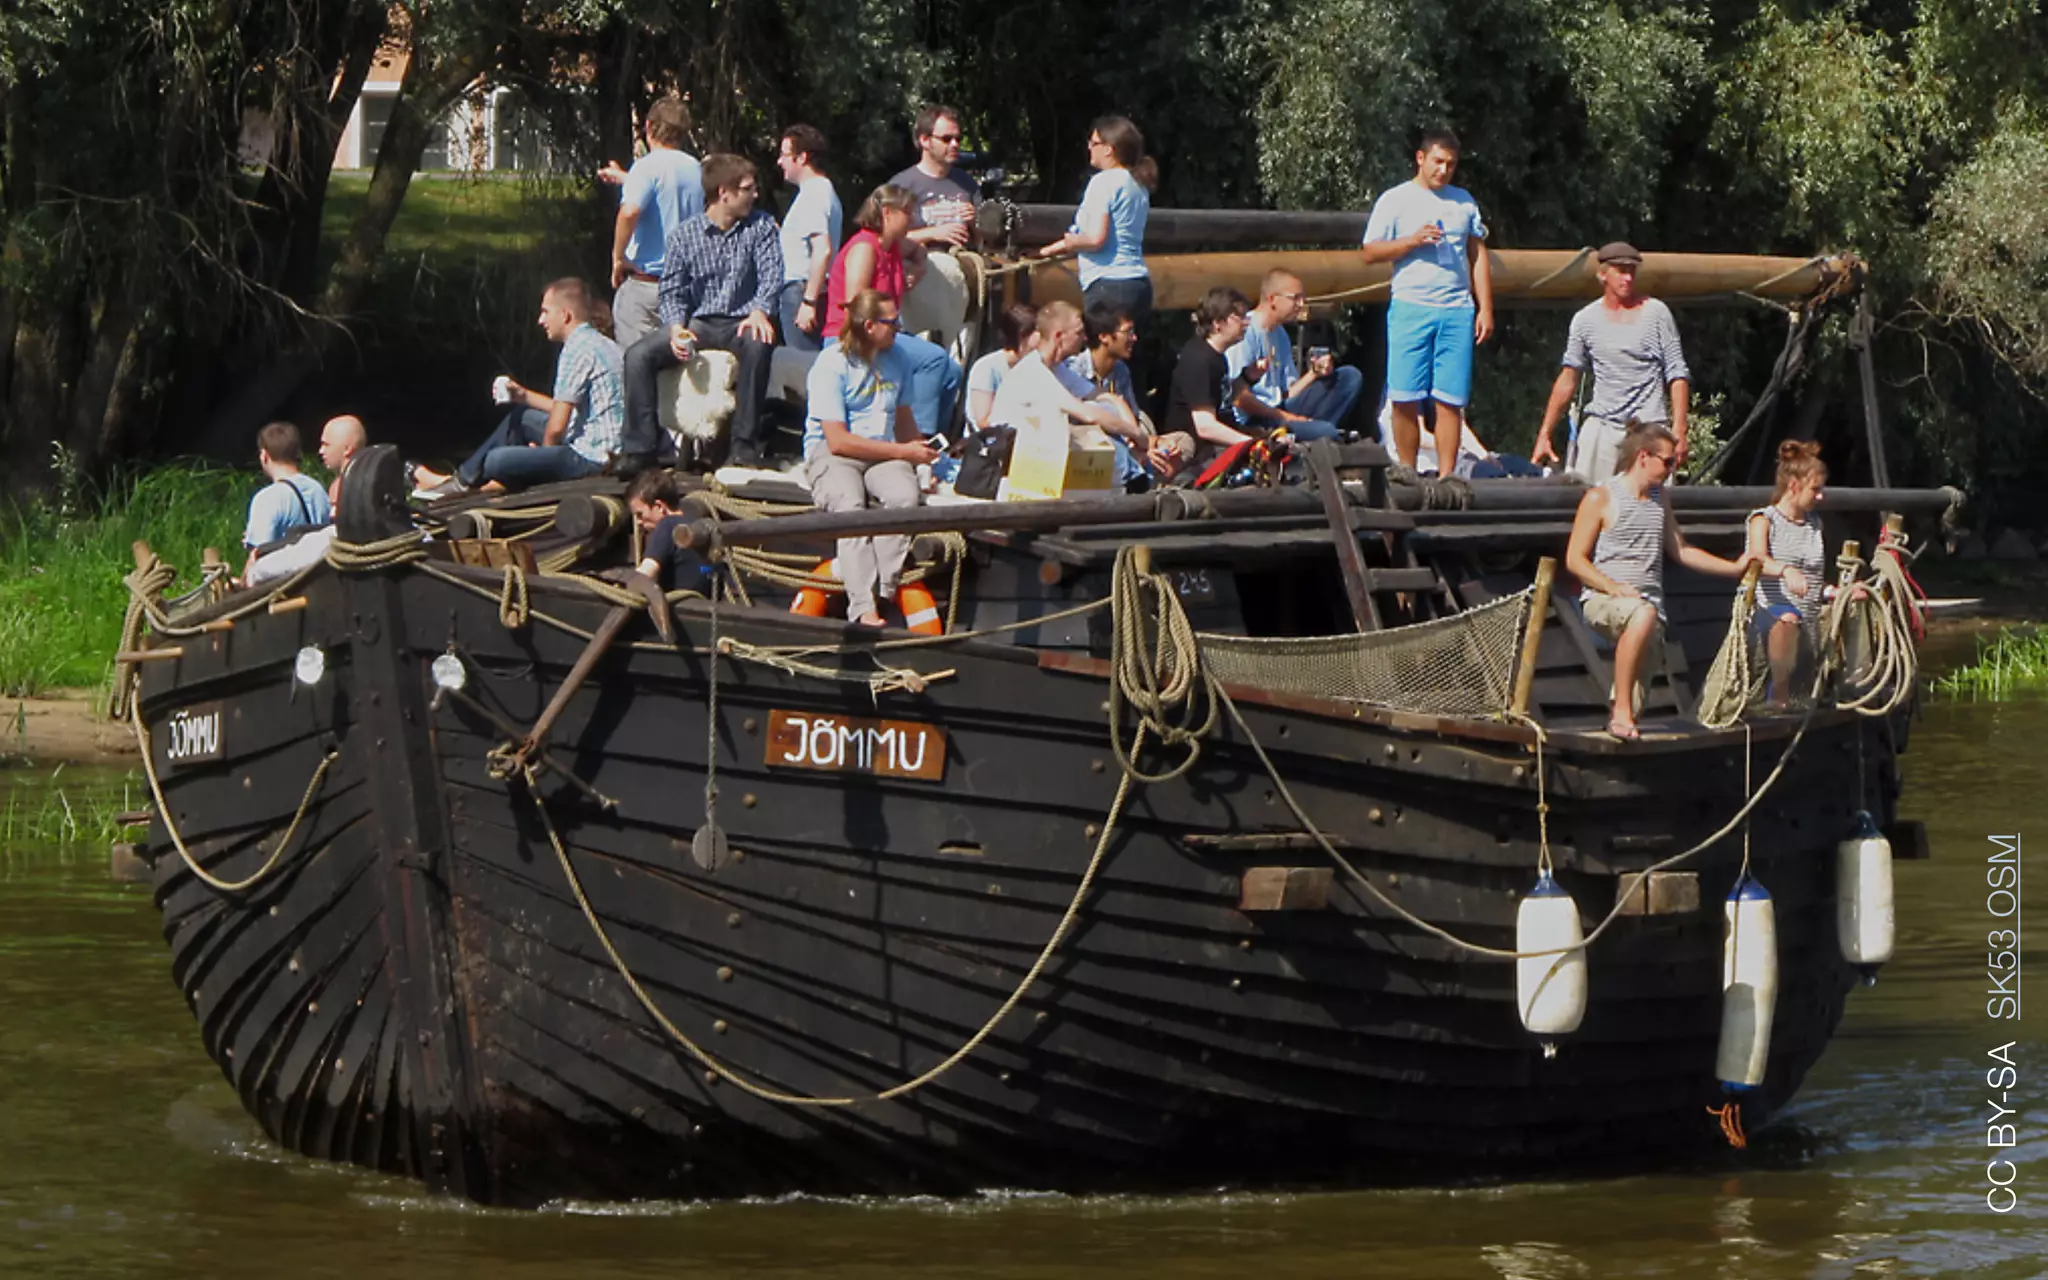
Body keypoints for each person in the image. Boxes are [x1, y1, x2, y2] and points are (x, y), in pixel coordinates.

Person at [1565, 425, 1753, 739]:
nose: (1671, 470)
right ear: (1643, 457)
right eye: (1667, 462)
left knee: (1646, 632)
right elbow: (1574, 559)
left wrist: (1733, 568)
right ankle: (1621, 711)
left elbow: (1681, 550)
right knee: (1642, 615)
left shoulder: (1658, 499)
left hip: (1650, 610)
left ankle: (1623, 723)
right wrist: (1613, 587)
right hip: (1603, 601)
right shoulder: (1601, 497)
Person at [624, 153, 782, 469]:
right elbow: (672, 291)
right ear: (724, 193)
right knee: (638, 355)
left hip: (742, 320)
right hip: (700, 323)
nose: (755, 194)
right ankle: (639, 448)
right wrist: (674, 328)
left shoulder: (761, 227)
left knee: (758, 345)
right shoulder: (685, 234)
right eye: (747, 188)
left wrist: (760, 310)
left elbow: (772, 275)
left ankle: (743, 446)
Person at [1360, 127, 1495, 475]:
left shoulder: (1464, 201)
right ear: (1420, 159)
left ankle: (1447, 475)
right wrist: (1412, 241)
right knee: (1405, 395)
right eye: (1437, 161)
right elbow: (1370, 251)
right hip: (1411, 305)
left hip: (1457, 310)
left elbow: (1478, 256)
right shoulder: (1395, 199)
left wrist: (1486, 308)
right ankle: (1406, 470)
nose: (1443, 170)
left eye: (1450, 164)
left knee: (1450, 399)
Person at [803, 290, 939, 628]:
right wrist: (902, 452)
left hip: (882, 448)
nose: (899, 328)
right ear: (868, 326)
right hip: (836, 453)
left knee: (905, 497)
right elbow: (837, 441)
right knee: (850, 506)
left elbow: (904, 416)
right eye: (892, 323)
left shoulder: (899, 359)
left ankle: (884, 590)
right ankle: (862, 607)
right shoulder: (832, 364)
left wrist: (920, 457)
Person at [415, 278, 624, 494]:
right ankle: (461, 482)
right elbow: (569, 408)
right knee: (522, 417)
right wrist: (522, 395)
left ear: (565, 315)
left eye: (545, 312)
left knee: (495, 460)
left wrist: (542, 458)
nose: (540, 320)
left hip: (592, 459)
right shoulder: (605, 344)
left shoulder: (576, 349)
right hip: (610, 449)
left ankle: (461, 484)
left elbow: (556, 428)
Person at [1532, 241, 1692, 479]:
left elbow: (1677, 373)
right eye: (1620, 271)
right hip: (1604, 426)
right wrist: (1545, 432)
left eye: (1632, 271)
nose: (1627, 278)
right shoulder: (1585, 320)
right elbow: (1568, 378)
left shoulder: (1657, 313)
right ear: (1603, 274)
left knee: (1650, 506)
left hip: (1648, 426)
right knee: (1590, 497)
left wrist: (1679, 429)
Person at [822, 184, 961, 438]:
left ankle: (940, 437)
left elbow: (917, 247)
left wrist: (918, 267)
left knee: (952, 372)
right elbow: (857, 306)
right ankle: (919, 438)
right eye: (907, 211)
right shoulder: (865, 248)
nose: (913, 217)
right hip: (854, 337)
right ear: (887, 212)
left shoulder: (892, 245)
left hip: (886, 333)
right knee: (934, 360)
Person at [602, 98, 703, 351]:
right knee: (678, 365)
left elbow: (630, 211)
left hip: (647, 284)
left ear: (648, 126)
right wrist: (626, 179)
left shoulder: (646, 167)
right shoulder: (696, 168)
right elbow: (667, 193)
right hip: (685, 286)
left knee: (635, 362)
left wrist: (618, 256)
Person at [1035, 116, 1154, 325]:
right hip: (1138, 283)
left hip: (1108, 284)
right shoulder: (1138, 184)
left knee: (1100, 354)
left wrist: (1071, 242)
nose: (1089, 147)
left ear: (1109, 149)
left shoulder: (1103, 181)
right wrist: (1045, 252)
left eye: (1094, 142)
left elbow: (1095, 240)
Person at [1226, 268, 1362, 444]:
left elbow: (1287, 393)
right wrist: (1287, 417)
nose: (1301, 304)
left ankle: (1316, 434)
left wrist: (1314, 373)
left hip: (1280, 409)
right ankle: (1320, 436)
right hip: (1257, 419)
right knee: (1326, 431)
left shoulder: (1280, 334)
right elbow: (1239, 399)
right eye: (1295, 298)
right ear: (1273, 299)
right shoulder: (1246, 332)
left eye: (1302, 298)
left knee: (1350, 377)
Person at [1066, 301, 1191, 488]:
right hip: (1097, 446)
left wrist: (1155, 443)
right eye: (1128, 332)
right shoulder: (1075, 371)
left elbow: (1133, 418)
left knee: (1183, 441)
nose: (1134, 338)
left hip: (1132, 441)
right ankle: (1155, 480)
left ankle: (1157, 475)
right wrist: (1140, 447)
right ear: (1104, 337)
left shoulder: (1121, 371)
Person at [1745, 440, 1827, 706]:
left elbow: (1812, 578)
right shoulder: (1763, 520)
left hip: (1809, 619)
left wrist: (1833, 590)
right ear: (1794, 486)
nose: (1820, 496)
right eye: (1815, 489)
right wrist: (1784, 570)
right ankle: (1777, 699)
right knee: (1788, 618)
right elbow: (1757, 560)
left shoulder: (1815, 523)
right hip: (1767, 617)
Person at [986, 300, 1132, 441]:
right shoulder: (1033, 371)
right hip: (1009, 453)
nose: (1085, 337)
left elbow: (1100, 395)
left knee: (1105, 409)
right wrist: (1136, 434)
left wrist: (1132, 430)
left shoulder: (1057, 368)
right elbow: (1088, 415)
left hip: (1032, 450)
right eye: (1079, 332)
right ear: (1059, 336)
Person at [1163, 287, 1258, 465]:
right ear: (1218, 323)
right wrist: (1251, 444)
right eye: (1240, 318)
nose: (1246, 324)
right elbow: (1205, 427)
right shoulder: (1199, 360)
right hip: (1198, 455)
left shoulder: (1216, 357)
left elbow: (1223, 401)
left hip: (1217, 447)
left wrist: (1247, 377)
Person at [775, 124, 842, 353]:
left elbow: (822, 249)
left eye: (784, 155)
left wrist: (808, 302)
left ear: (802, 158)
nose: (779, 162)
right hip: (804, 291)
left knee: (803, 370)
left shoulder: (815, 193)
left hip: (800, 292)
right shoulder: (816, 192)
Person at [241, 421, 331, 584]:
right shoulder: (319, 490)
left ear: (264, 456)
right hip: (319, 580)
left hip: (284, 589)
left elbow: (258, 558)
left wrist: (239, 585)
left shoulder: (266, 498)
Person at [1372, 397, 1541, 479]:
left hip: (1455, 454)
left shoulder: (1447, 382)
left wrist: (1483, 454)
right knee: (1491, 476)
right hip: (1427, 463)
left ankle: (1544, 474)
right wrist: (1454, 445)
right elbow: (1420, 437)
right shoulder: (1409, 387)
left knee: (1510, 462)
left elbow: (1461, 428)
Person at [889, 104, 979, 249]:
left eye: (958, 138)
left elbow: (984, 239)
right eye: (946, 139)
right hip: (921, 265)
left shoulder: (967, 183)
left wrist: (975, 221)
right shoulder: (901, 186)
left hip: (965, 262)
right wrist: (933, 233)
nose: (955, 144)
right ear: (925, 140)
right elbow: (887, 239)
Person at [625, 470, 718, 596]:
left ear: (659, 506)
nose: (638, 522)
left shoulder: (668, 525)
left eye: (640, 514)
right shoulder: (699, 525)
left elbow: (644, 575)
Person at [965, 302, 1038, 428]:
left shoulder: (1040, 365)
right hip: (995, 440)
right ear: (1023, 336)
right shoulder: (987, 368)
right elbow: (983, 421)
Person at [316, 414, 367, 508]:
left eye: (326, 445)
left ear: (347, 449)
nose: (321, 451)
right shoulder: (374, 482)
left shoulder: (341, 488)